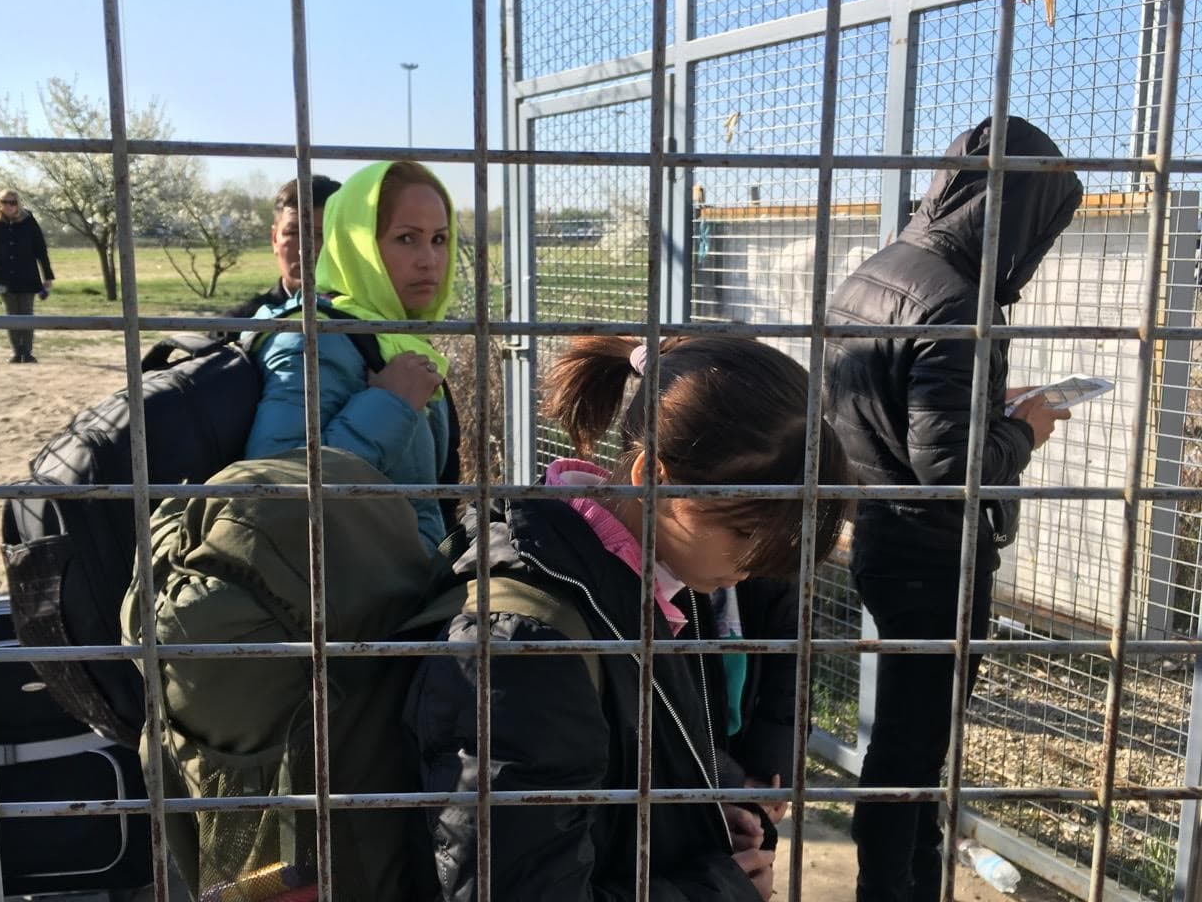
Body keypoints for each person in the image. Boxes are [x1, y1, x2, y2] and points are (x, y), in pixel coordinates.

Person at [406, 334, 852, 900]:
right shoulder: (527, 645)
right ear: (653, 478)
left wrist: (705, 802)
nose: (752, 567)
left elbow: (630, 746)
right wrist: (715, 890)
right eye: (742, 533)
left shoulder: (642, 574)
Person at [822, 115, 1082, 902]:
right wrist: (1023, 429)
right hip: (934, 556)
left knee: (907, 746)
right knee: (909, 754)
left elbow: (881, 407)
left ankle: (911, 879)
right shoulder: (959, 300)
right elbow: (948, 467)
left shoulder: (879, 268)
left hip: (878, 530)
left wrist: (984, 406)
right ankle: (893, 888)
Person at [243, 160, 455, 551]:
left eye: (439, 239)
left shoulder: (386, 335)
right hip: (349, 601)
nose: (429, 260)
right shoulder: (314, 338)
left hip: (403, 581)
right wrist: (390, 404)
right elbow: (274, 494)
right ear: (356, 245)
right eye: (407, 238)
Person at [218, 174, 341, 339]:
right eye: (292, 233)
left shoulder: (374, 324)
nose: (307, 250)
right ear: (275, 239)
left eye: (321, 234)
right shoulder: (236, 327)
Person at [0, 188, 54, 363]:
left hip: (28, 277)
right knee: (11, 315)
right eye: (5, 202)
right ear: (0, 204)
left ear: (18, 204)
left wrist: (47, 276)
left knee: (26, 314)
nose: (9, 206)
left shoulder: (29, 222)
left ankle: (27, 352)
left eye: (12, 202)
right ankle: (16, 351)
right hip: (4, 278)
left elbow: (41, 250)